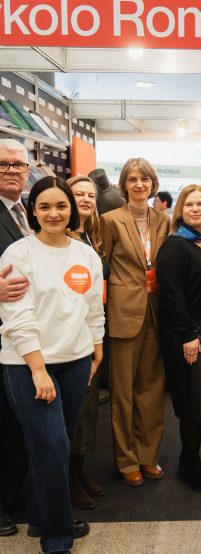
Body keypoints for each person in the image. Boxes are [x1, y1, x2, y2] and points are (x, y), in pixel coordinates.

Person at [0, 176, 104, 554]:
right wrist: (38, 369)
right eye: (44, 206)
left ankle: (41, 517)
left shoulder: (86, 255)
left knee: (55, 444)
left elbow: (92, 306)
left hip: (76, 361)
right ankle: (57, 539)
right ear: (33, 211)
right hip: (27, 365)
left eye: (61, 205)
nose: (54, 213)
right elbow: (16, 317)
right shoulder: (18, 254)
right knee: (52, 445)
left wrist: (97, 346)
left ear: (71, 210)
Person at [100, 158, 170, 487]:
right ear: (124, 185)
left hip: (157, 312)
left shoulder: (165, 221)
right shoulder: (110, 220)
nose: (139, 185)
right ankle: (126, 460)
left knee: (152, 390)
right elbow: (102, 267)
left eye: (144, 179)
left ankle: (148, 455)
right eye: (132, 179)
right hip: (123, 313)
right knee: (123, 393)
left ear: (153, 184)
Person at [157, 185, 201, 494]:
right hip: (188, 335)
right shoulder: (175, 246)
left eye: (200, 204)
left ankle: (192, 458)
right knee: (194, 403)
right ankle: (187, 465)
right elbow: (171, 295)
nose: (196, 209)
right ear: (180, 210)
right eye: (189, 204)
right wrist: (188, 335)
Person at [66, 175, 110, 510]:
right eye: (78, 193)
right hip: (68, 336)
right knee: (73, 410)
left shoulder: (92, 236)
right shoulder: (60, 238)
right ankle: (68, 479)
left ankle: (79, 472)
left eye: (90, 195)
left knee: (88, 408)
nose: (85, 199)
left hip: (92, 331)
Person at [0, 138, 31, 537]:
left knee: (14, 421)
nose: (11, 171)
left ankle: (12, 493)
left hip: (22, 336)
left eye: (18, 165)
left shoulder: (28, 212)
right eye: (3, 164)